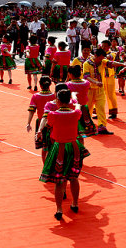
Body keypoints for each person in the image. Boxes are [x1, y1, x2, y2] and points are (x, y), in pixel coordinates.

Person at [38, 88, 90, 220]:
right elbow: (78, 105)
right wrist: (75, 98)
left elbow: (48, 126)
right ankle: (75, 203)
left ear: (58, 101)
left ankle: (59, 209)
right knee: (74, 177)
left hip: (59, 147)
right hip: (74, 148)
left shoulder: (53, 114)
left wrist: (39, 132)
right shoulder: (76, 113)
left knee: (59, 181)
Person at [66, 65, 97, 138]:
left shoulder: (68, 84)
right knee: (82, 134)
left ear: (71, 74)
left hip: (73, 109)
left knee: (73, 133)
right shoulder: (86, 83)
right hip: (84, 108)